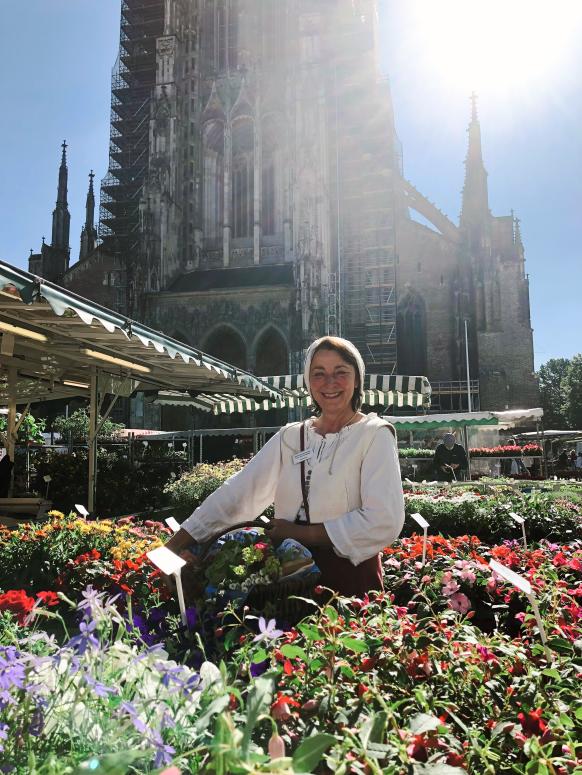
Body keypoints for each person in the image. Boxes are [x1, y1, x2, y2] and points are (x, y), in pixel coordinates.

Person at [164, 336, 405, 597]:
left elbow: (384, 519)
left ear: (357, 379)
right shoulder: (291, 437)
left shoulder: (373, 434)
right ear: (308, 382)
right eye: (318, 373)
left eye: (341, 372)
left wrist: (305, 534)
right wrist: (175, 544)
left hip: (350, 579)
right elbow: (239, 493)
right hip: (290, 577)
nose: (329, 382)